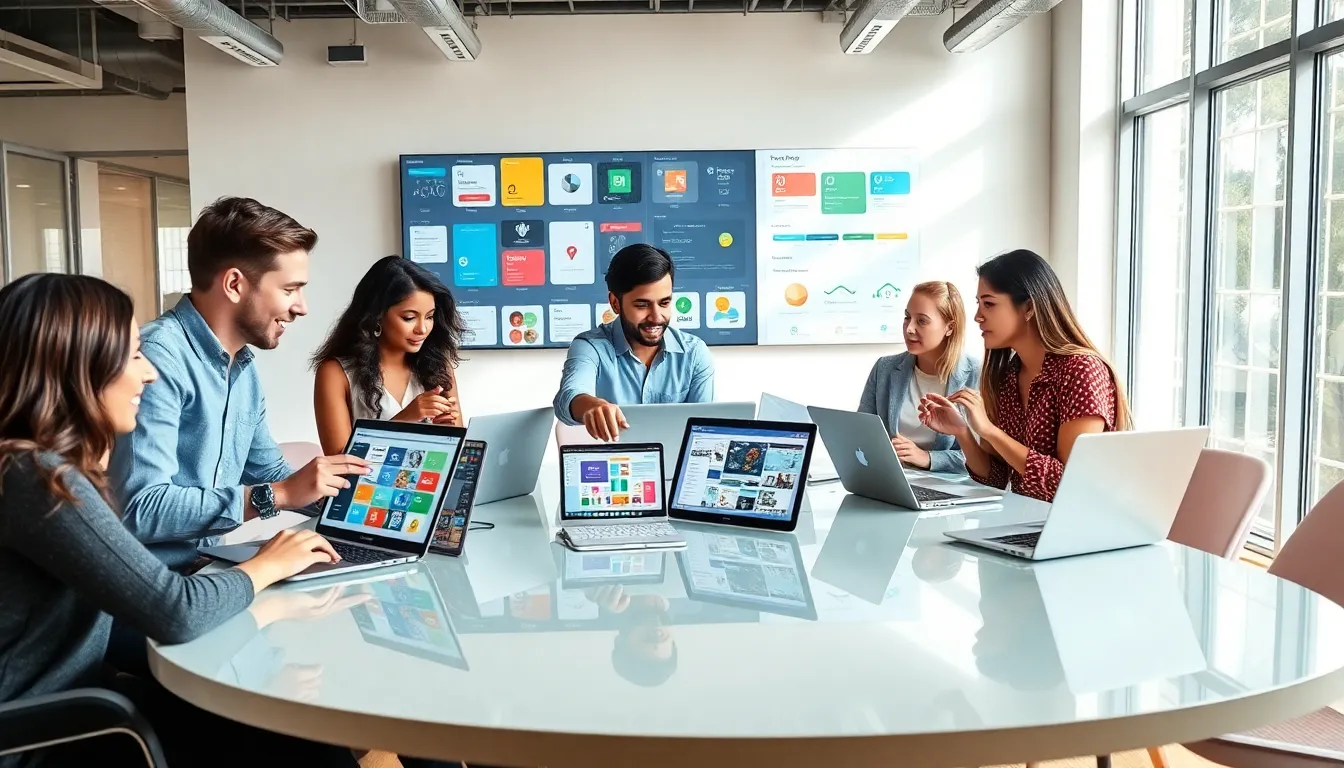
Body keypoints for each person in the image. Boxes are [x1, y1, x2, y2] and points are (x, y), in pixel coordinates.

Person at [0, 273, 363, 768]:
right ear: (77, 368)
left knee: (295, 727)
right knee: (293, 734)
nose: (148, 374)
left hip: (80, 704)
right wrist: (267, 565)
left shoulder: (36, 468)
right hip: (51, 734)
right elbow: (176, 611)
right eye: (133, 356)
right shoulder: (38, 479)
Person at [109, 196, 372, 571]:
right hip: (152, 583)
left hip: (207, 569)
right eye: (290, 289)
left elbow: (270, 473)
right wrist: (278, 495)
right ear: (234, 284)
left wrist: (362, 501)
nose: (302, 307)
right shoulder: (158, 359)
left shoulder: (242, 368)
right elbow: (140, 508)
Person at [917, 249, 1130, 502]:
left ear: (1028, 307)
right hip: (1028, 518)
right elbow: (995, 478)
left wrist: (990, 431)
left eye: (989, 304)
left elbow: (1069, 483)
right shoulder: (1008, 375)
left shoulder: (1082, 371)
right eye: (978, 304)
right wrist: (962, 432)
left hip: (1076, 521)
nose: (977, 316)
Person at [553, 243, 715, 441]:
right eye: (642, 305)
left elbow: (707, 431)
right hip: (614, 460)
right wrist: (591, 406)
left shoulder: (694, 353)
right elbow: (568, 396)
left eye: (664, 303)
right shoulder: (590, 347)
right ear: (615, 303)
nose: (656, 317)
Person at [312, 255, 468, 456]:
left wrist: (447, 432)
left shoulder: (439, 366)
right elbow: (339, 462)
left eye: (430, 317)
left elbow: (456, 454)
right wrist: (406, 418)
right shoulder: (335, 373)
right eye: (409, 318)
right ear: (376, 316)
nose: (422, 329)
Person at [858, 280, 979, 473]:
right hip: (891, 477)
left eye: (922, 321)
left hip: (948, 485)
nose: (909, 328)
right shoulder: (884, 368)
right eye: (907, 317)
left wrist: (927, 458)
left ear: (950, 327)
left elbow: (983, 458)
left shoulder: (977, 374)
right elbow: (861, 432)